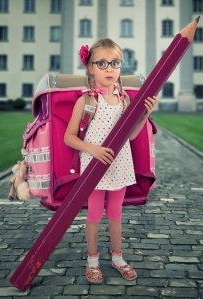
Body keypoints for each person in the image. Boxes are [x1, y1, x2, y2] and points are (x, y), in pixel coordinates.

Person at [64, 38, 158, 284]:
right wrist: (92, 149)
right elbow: (69, 137)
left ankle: (117, 257)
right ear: (90, 68)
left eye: (114, 63)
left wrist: (147, 113)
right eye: (102, 63)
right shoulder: (86, 101)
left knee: (116, 213)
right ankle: (92, 259)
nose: (109, 69)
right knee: (94, 213)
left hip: (120, 164)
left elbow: (131, 135)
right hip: (95, 166)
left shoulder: (124, 99)